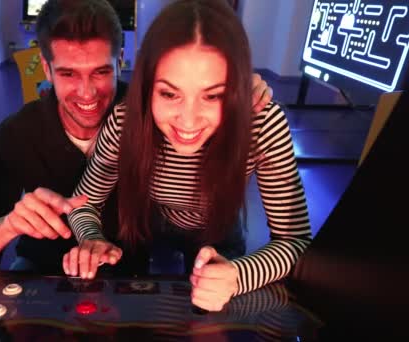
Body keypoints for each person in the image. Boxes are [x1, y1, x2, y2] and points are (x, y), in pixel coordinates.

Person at [0, 0, 274, 274]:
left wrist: (232, 87)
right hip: (44, 266)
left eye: (100, 72)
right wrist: (8, 225)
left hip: (129, 268)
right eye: (67, 74)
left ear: (120, 62)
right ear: (47, 70)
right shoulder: (17, 136)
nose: (87, 93)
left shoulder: (149, 115)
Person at [64, 0, 312, 312]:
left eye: (213, 95)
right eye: (169, 93)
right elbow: (84, 204)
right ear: (147, 88)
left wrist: (237, 275)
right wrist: (91, 239)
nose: (189, 121)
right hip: (151, 219)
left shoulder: (260, 123)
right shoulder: (126, 121)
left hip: (220, 226)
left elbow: (296, 241)